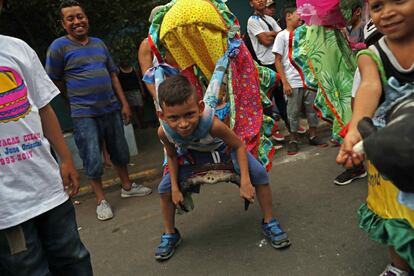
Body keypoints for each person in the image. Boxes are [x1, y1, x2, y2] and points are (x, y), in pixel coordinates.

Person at [154, 75, 291, 261]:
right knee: (164, 189)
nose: (183, 123)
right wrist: (175, 189)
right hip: (192, 157)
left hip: (223, 150)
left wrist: (245, 180)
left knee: (258, 173)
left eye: (189, 114)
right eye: (173, 117)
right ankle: (170, 233)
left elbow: (238, 146)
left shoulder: (212, 124)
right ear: (162, 116)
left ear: (200, 108)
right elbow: (171, 155)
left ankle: (269, 221)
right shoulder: (164, 132)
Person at [0, 0, 92, 274]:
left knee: (73, 260)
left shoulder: (17, 49)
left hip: (47, 186)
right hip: (7, 209)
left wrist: (65, 158)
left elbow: (43, 108)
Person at [45, 0, 151, 221]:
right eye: (71, 18)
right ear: (63, 23)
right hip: (84, 114)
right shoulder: (58, 47)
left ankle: (127, 186)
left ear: (86, 18)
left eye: (80, 16)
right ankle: (101, 200)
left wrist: (123, 103)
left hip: (111, 108)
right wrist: (73, 97)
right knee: (91, 156)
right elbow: (54, 80)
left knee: (120, 151)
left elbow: (113, 75)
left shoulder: (99, 44)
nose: (77, 22)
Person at [336, 0, 414, 274]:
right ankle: (399, 267)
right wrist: (356, 127)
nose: (388, 12)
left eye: (399, 1)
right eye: (379, 5)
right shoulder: (372, 54)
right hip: (387, 151)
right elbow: (369, 86)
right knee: (392, 217)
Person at [273, 7, 327, 155]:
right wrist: (285, 82)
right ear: (288, 16)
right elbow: (277, 60)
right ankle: (293, 140)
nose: (301, 17)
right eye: (298, 14)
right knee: (293, 112)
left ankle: (313, 135)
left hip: (309, 80)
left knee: (312, 110)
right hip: (292, 80)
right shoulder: (281, 36)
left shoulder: (304, 34)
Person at [118, 58, 145, 129]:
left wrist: (142, 90)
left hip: (136, 91)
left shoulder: (133, 69)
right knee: (132, 109)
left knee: (140, 106)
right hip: (126, 92)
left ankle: (141, 122)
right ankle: (140, 126)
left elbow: (139, 80)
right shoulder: (119, 71)